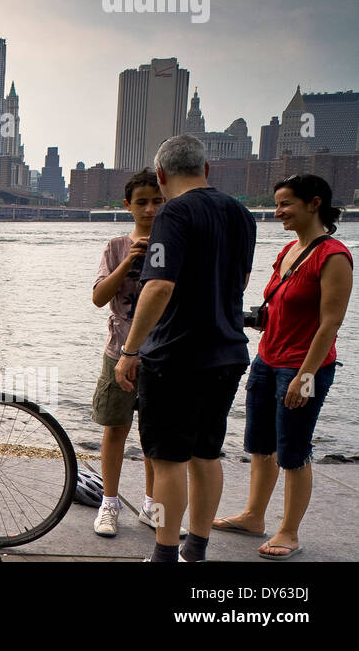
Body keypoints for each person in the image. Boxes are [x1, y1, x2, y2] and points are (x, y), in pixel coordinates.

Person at [114, 136, 255, 563]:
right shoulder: (241, 214)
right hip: (227, 352)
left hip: (175, 356)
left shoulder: (173, 213)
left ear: (161, 175)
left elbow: (157, 286)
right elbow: (243, 281)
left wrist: (131, 350)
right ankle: (196, 549)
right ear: (206, 170)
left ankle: (164, 553)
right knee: (207, 454)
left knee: (169, 458)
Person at [214, 174, 351, 560]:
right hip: (267, 359)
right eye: (277, 204)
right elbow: (278, 307)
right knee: (259, 446)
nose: (278, 212)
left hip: (302, 367)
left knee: (293, 451)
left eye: (286, 203)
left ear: (314, 203)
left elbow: (330, 324)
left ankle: (288, 532)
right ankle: (254, 516)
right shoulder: (289, 252)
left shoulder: (333, 256)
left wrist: (305, 377)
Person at [89, 169, 165, 537]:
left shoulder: (175, 242)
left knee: (155, 433)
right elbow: (99, 297)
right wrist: (128, 262)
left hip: (161, 350)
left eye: (157, 200)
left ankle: (153, 504)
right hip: (118, 348)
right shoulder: (116, 245)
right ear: (128, 206)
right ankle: (109, 502)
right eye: (142, 202)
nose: (150, 209)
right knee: (115, 428)